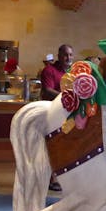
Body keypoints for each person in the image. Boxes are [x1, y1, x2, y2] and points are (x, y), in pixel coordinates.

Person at [40, 44, 74, 191]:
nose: (68, 58)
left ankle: (61, 178)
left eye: (71, 55)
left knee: (65, 148)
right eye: (65, 55)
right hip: (51, 114)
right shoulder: (49, 70)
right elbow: (47, 91)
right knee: (52, 147)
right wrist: (67, 96)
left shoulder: (73, 72)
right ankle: (50, 179)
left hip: (67, 115)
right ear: (59, 56)